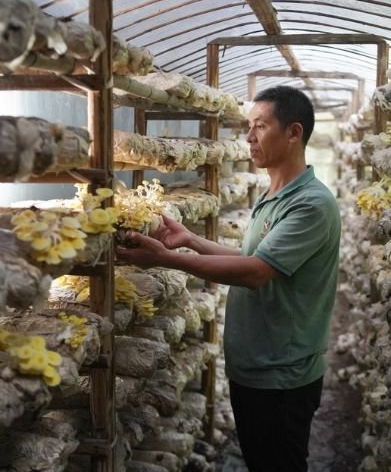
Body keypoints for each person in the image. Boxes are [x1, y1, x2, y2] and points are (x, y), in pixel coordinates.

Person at [116, 85, 341, 472]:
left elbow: (255, 273)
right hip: (256, 367)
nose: (249, 137)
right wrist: (189, 241)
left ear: (294, 132)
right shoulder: (274, 194)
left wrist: (170, 259)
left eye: (260, 126)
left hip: (282, 375)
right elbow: (252, 259)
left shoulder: (311, 204)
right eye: (248, 127)